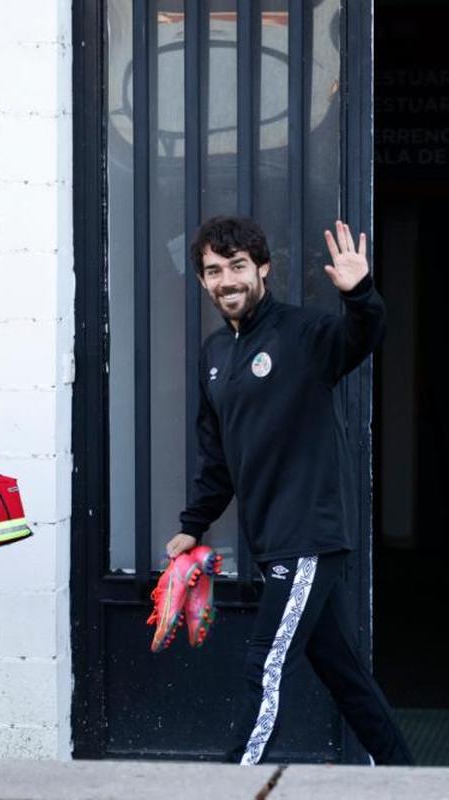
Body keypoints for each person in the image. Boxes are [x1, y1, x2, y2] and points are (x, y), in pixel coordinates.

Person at [165, 217, 414, 766]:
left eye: (236, 267)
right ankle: (407, 778)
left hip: (306, 533)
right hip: (271, 539)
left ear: (262, 270)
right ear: (203, 282)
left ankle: (234, 779)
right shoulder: (213, 356)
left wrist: (361, 294)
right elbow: (219, 460)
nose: (226, 280)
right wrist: (192, 525)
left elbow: (363, 335)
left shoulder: (305, 334)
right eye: (213, 271)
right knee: (344, 675)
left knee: (266, 662)